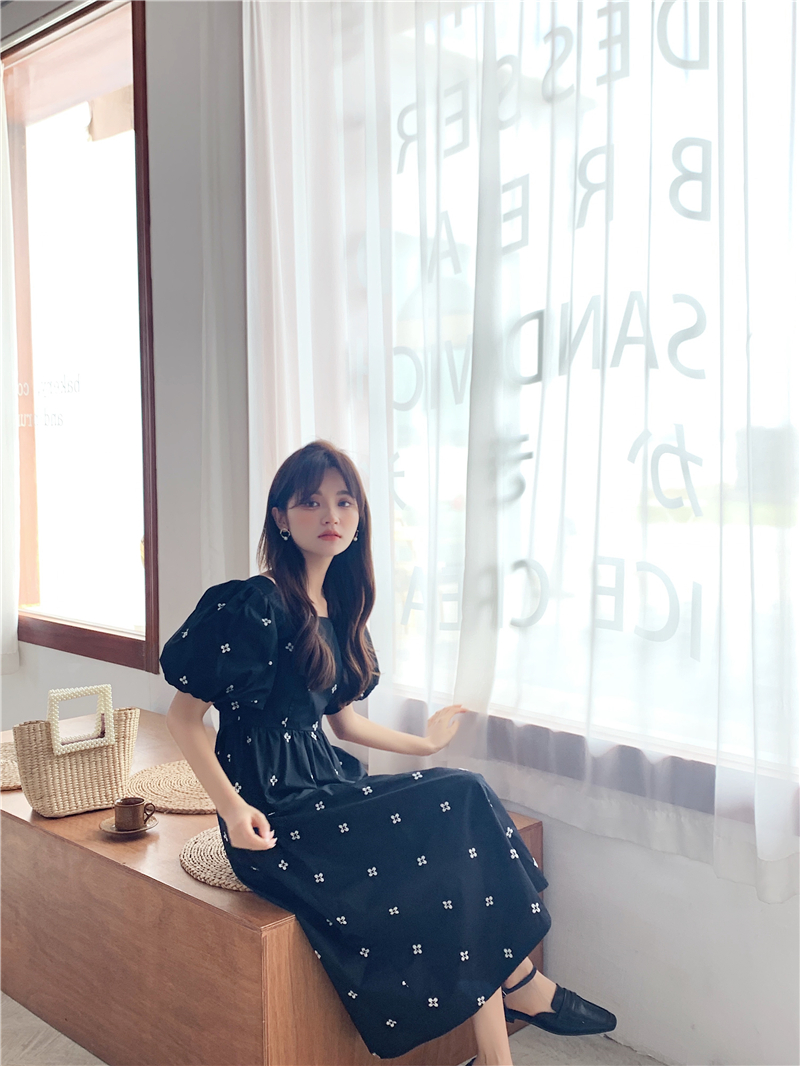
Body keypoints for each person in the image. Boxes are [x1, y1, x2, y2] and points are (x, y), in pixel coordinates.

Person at [162, 440, 615, 1066]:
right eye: (311, 501)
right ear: (280, 517)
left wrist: (423, 743)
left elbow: (343, 723)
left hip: (325, 787)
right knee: (462, 795)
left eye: (345, 502)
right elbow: (184, 719)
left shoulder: (338, 610)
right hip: (272, 813)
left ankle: (500, 1048)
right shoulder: (253, 603)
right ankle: (524, 987)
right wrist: (234, 811)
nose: (331, 515)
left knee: (457, 854)